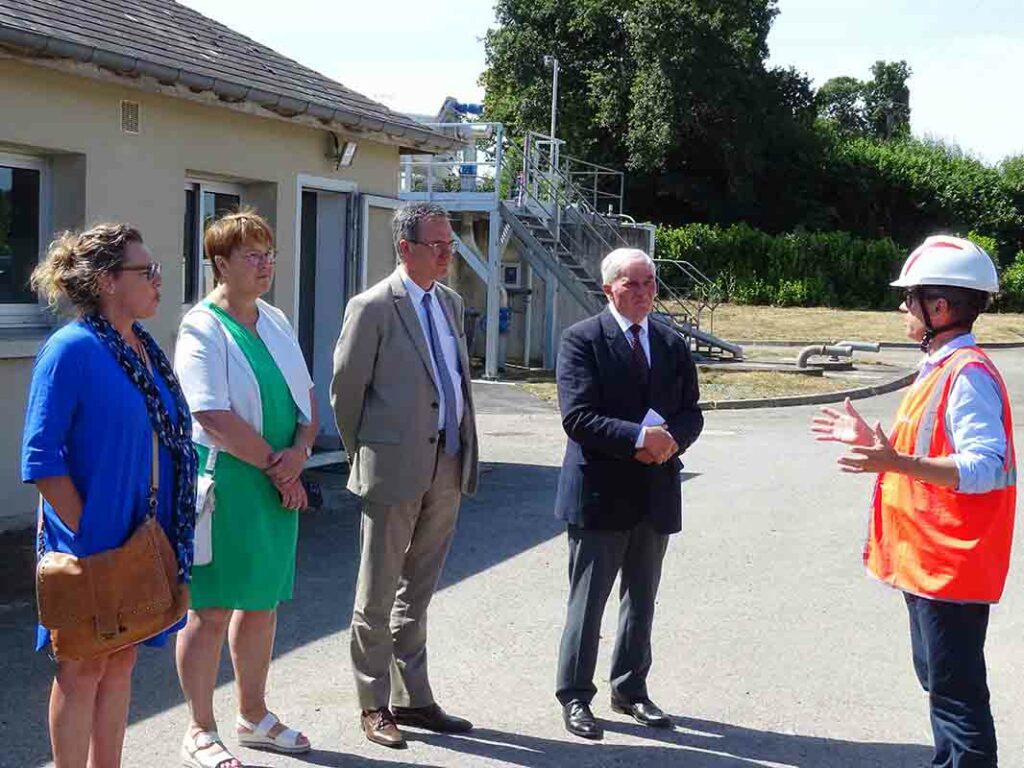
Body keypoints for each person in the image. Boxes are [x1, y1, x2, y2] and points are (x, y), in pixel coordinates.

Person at [812, 235, 1015, 768]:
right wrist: (873, 444)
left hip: (951, 565)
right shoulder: (941, 367)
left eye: (910, 299)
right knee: (942, 685)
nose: (903, 308)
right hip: (930, 564)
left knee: (956, 698)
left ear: (939, 308)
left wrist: (896, 462)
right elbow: (928, 449)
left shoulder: (967, 374)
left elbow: (986, 466)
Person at [21, 223, 197, 767]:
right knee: (82, 666)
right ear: (107, 282)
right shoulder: (70, 349)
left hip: (141, 536)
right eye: (148, 272)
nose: (159, 281)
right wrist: (90, 536)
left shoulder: (142, 348)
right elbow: (42, 459)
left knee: (120, 659)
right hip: (89, 541)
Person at [331, 201, 479, 748]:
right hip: (392, 467)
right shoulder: (372, 307)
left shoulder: (450, 303)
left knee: (417, 590)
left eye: (449, 245)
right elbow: (346, 393)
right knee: (376, 593)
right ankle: (373, 704)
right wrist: (368, 456)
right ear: (405, 248)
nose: (446, 255)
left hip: (447, 462)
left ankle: (413, 698)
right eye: (436, 245)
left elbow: (454, 381)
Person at [174, 210, 317, 767]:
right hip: (230, 482)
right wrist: (281, 469)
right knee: (210, 609)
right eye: (252, 256)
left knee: (261, 604)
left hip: (278, 480)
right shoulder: (202, 326)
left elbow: (305, 394)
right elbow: (210, 414)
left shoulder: (274, 318)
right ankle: (199, 728)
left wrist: (300, 451)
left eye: (268, 254)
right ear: (220, 263)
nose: (265, 265)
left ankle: (253, 715)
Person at [553, 247, 703, 740]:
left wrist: (669, 442)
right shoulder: (582, 340)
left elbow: (691, 411)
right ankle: (576, 696)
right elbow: (578, 417)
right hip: (600, 492)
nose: (643, 293)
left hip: (655, 488)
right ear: (608, 289)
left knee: (641, 600)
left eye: (649, 283)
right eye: (632, 284)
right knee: (588, 603)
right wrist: (640, 439)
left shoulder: (670, 341)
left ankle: (631, 689)